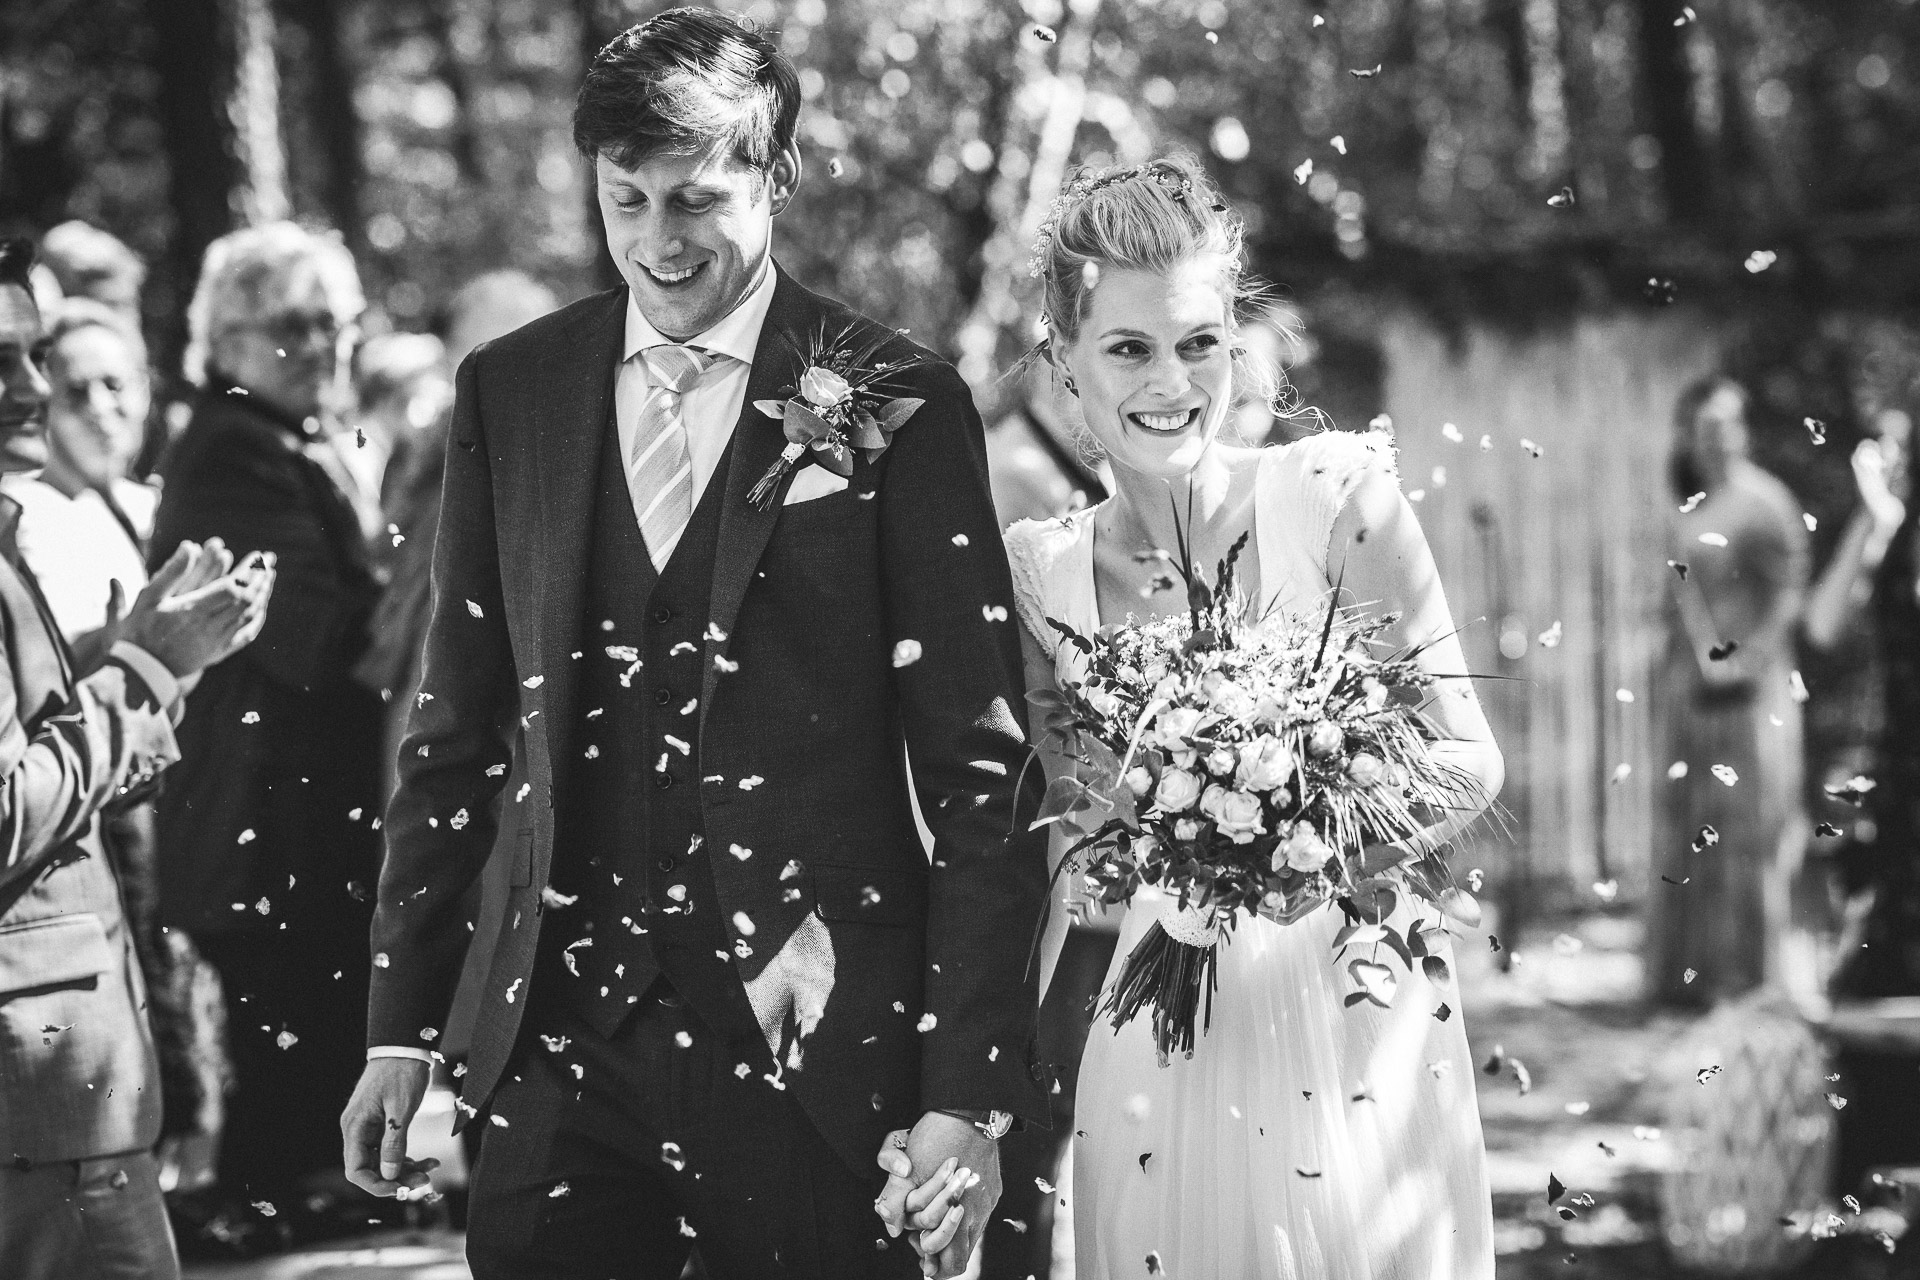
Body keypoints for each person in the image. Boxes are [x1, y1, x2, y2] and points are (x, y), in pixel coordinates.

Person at [339, 11, 1049, 1280]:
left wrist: (969, 1088)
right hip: (560, 1043)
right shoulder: (513, 390)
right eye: (627, 201)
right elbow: (452, 730)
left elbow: (983, 777)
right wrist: (401, 1024)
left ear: (774, 179)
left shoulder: (901, 402)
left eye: (697, 199)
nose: (659, 242)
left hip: (821, 1051)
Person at [1001, 158, 1502, 1279]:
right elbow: (1040, 844)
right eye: (1127, 348)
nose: (1170, 380)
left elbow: (1468, 759)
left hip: (1357, 1008)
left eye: (1198, 343)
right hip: (1159, 1029)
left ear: (1234, 339)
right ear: (1064, 370)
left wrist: (1290, 842)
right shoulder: (1044, 579)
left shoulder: (1332, 501)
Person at [0, 236, 273, 1280]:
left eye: (33, 355)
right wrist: (145, 672)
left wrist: (154, 669)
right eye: (4, 363)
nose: (31, 388)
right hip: (40, 1098)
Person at [149, 222, 386, 1246]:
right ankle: (257, 1213)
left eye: (339, 323)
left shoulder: (295, 436)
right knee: (282, 1082)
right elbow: (318, 634)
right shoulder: (232, 447)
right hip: (263, 829)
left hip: (299, 827)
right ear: (231, 336)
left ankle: (298, 1201)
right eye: (298, 324)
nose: (327, 344)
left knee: (306, 1059)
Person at [1648, 376, 1810, 1007]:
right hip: (1693, 692)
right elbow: (1679, 600)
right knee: (1695, 830)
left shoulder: (1767, 502)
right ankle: (1694, 982)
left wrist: (1745, 663)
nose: (1713, 439)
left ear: (1741, 429)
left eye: (1725, 425)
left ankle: (1754, 982)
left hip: (1752, 697)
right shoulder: (1689, 506)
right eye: (1702, 428)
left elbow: (1789, 594)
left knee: (1749, 835)